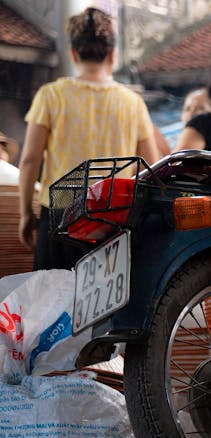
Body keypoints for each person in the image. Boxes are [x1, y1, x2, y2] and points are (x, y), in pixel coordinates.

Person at [17, 7, 160, 270]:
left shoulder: (51, 95)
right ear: (113, 55)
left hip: (61, 215)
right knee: (112, 308)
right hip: (115, 220)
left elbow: (29, 160)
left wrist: (26, 213)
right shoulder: (132, 103)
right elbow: (151, 167)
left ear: (73, 54)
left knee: (55, 302)